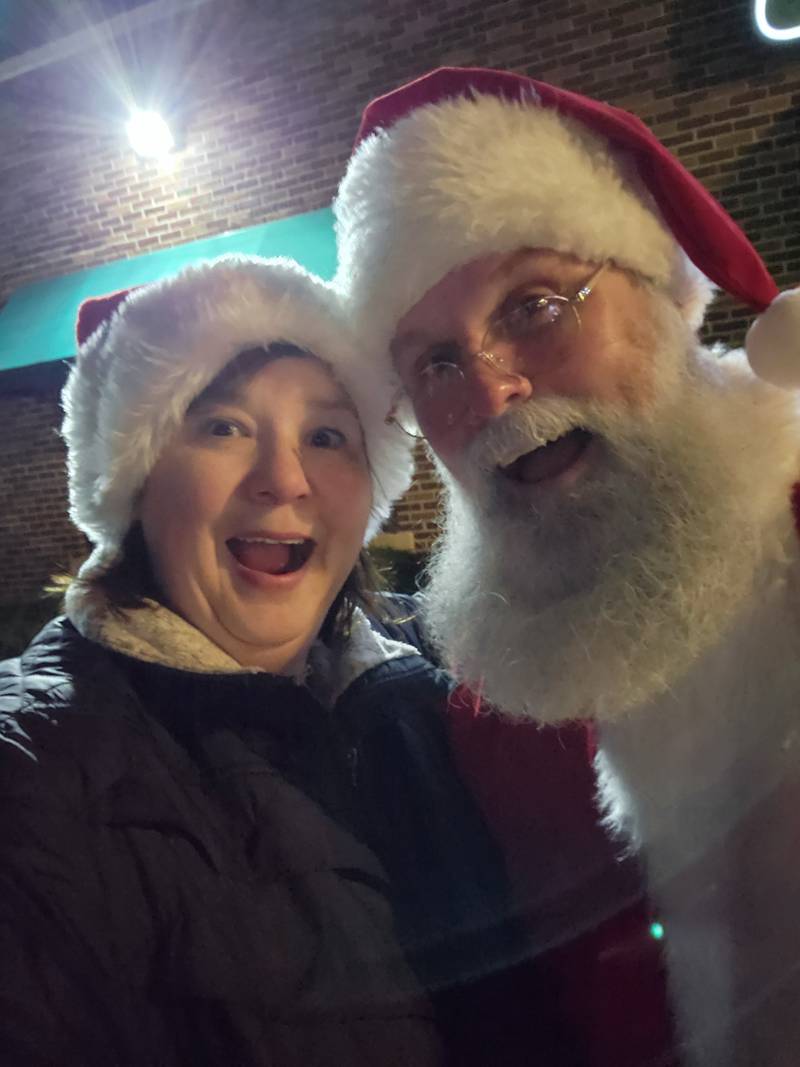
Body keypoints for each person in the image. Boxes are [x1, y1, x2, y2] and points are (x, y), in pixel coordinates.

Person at [334, 66, 800, 1067]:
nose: (494, 392)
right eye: (436, 364)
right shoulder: (486, 705)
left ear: (665, 293)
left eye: (534, 306)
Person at [0, 253, 569, 1067]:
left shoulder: (443, 688)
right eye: (223, 425)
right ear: (137, 479)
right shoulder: (36, 777)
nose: (284, 479)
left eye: (328, 435)